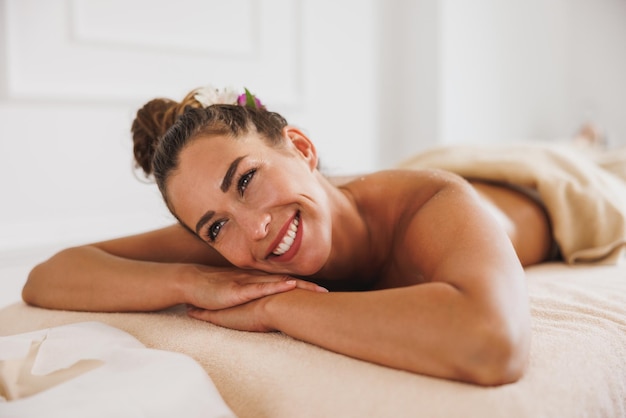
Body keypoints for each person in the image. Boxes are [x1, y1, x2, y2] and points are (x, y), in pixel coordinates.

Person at [23, 86, 556, 386]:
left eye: (248, 179)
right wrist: (192, 282)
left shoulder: (433, 204)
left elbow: (491, 343)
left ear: (300, 147)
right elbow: (51, 276)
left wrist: (273, 311)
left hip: (538, 187)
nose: (253, 227)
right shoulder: (233, 237)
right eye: (215, 226)